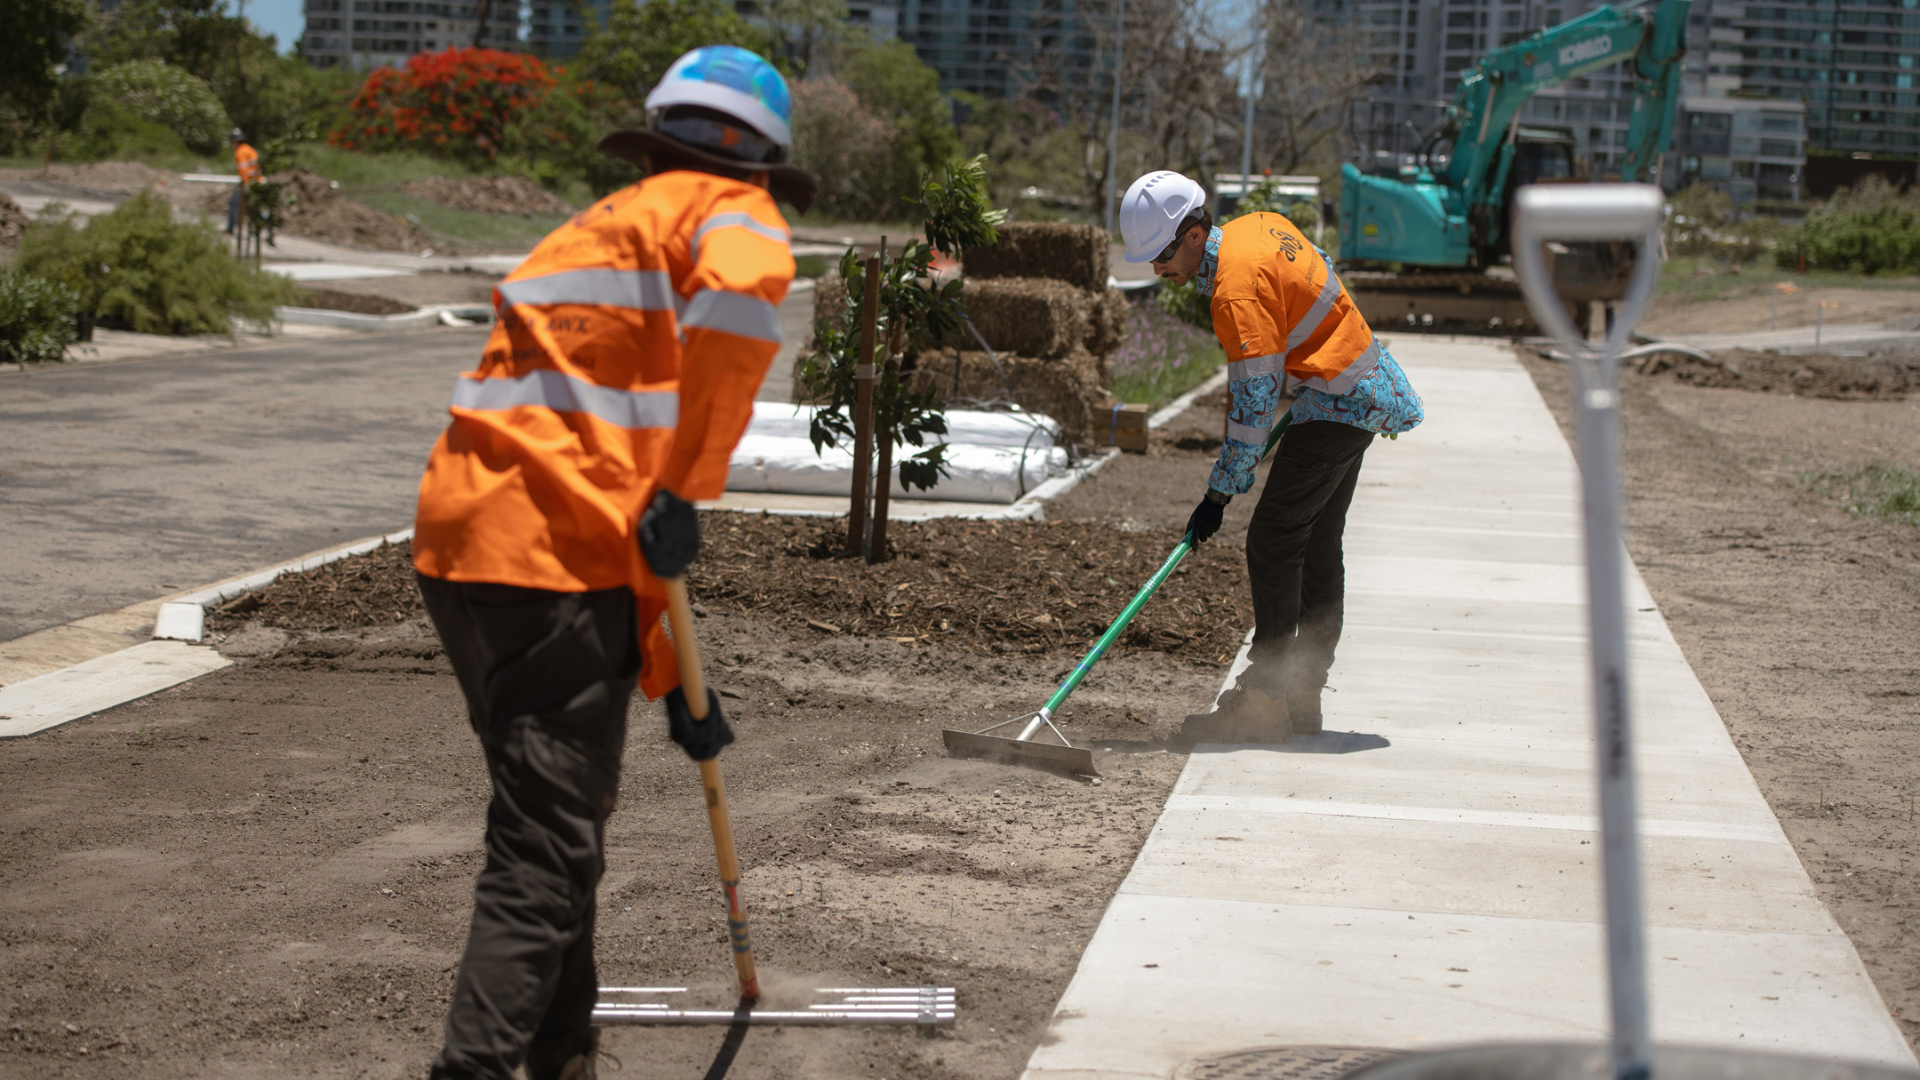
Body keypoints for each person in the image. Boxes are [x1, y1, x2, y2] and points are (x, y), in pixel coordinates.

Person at [408, 45, 815, 1080]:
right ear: (763, 160)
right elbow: (735, 306)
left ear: (656, 133)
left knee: (560, 808)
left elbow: (596, 471)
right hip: (548, 559)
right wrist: (689, 483)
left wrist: (676, 682)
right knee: (545, 840)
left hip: (463, 545)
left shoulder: (599, 225)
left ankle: (564, 1050)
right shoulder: (734, 214)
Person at [1117, 170, 1424, 741]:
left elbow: (1253, 408)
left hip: (1338, 400)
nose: (1156, 270)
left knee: (1275, 538)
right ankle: (1302, 691)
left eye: (1160, 254)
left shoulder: (1234, 292)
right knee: (1313, 541)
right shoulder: (1259, 227)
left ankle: (1266, 699)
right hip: (1359, 388)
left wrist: (1218, 493)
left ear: (1191, 234)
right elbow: (1319, 264)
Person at [227, 128, 262, 235]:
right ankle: (254, 229)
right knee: (252, 207)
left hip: (247, 183)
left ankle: (230, 228)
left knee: (234, 204)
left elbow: (243, 170)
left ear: (234, 141)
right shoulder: (250, 149)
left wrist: (245, 185)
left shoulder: (240, 152)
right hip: (257, 182)